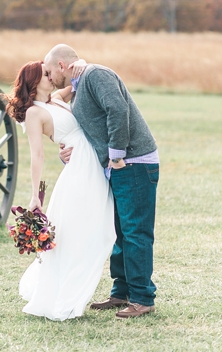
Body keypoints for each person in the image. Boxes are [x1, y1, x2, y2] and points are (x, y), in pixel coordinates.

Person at [44, 44, 159, 319]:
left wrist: (117, 154)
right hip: (117, 166)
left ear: (62, 65)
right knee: (120, 231)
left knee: (135, 232)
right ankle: (121, 292)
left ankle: (143, 298)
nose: (49, 78)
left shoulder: (95, 75)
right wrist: (66, 151)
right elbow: (89, 129)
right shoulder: (79, 85)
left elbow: (118, 110)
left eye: (49, 72)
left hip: (133, 162)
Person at [6, 60, 115, 320]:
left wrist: (82, 63)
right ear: (34, 82)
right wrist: (35, 195)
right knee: (81, 233)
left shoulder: (56, 98)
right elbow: (37, 155)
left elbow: (78, 80)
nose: (51, 77)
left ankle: (76, 288)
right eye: (45, 74)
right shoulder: (34, 113)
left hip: (89, 161)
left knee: (99, 229)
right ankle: (65, 295)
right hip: (80, 170)